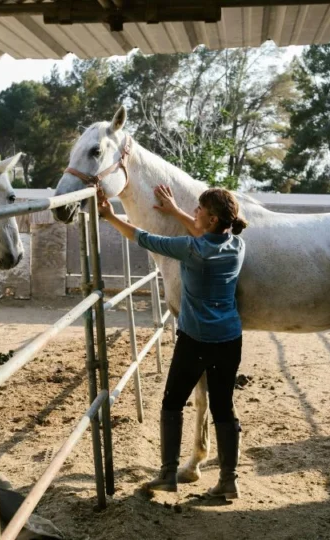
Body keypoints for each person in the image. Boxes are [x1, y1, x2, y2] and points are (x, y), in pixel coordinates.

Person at [95, 184, 248, 500]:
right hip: (229, 339)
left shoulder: (191, 250)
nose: (195, 213)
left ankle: (168, 474)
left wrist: (110, 215)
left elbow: (141, 237)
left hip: (195, 340)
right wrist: (176, 209)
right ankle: (229, 481)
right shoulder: (236, 246)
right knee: (223, 408)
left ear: (213, 219)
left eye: (199, 211)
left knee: (172, 402)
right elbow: (203, 232)